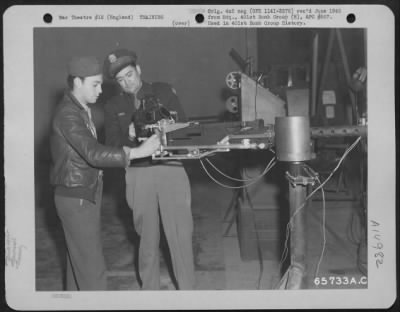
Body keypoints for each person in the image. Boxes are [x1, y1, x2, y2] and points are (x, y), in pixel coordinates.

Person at [50, 56, 161, 291]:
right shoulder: (69, 114)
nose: (100, 90)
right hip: (77, 197)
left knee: (77, 266)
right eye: (95, 84)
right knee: (92, 271)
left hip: (81, 194)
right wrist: (137, 152)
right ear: (77, 82)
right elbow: (93, 154)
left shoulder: (79, 109)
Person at [103, 49, 195, 290]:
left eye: (130, 75)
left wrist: (169, 127)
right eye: (120, 80)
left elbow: (185, 128)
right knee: (147, 237)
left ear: (139, 70)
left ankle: (189, 293)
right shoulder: (113, 106)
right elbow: (112, 146)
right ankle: (150, 293)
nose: (127, 83)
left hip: (170, 167)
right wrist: (128, 134)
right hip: (138, 172)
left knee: (180, 234)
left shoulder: (163, 91)